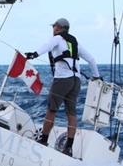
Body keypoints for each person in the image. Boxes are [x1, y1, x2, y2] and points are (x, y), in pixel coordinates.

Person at [25, 17, 101, 158]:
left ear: (59, 27)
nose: (53, 29)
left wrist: (33, 55)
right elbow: (91, 59)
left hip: (62, 80)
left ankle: (43, 140)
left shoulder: (58, 38)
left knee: (51, 110)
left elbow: (47, 45)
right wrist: (96, 76)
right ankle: (69, 148)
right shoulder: (75, 42)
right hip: (76, 81)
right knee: (71, 114)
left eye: (54, 27)